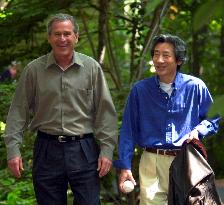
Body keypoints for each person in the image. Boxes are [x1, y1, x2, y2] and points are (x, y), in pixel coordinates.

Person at [4, 13, 117, 205]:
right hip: (47, 149)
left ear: (76, 37)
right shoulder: (34, 70)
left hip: (84, 149)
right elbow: (18, 112)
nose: (62, 39)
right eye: (57, 34)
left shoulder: (91, 68)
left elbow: (105, 113)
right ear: (49, 38)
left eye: (67, 33)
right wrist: (13, 150)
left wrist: (107, 150)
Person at [113, 34, 220, 205]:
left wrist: (198, 131)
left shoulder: (195, 86)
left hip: (187, 160)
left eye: (166, 55)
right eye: (156, 54)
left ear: (178, 60)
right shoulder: (140, 90)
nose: (159, 60)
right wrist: (125, 166)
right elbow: (128, 131)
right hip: (151, 161)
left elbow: (214, 118)